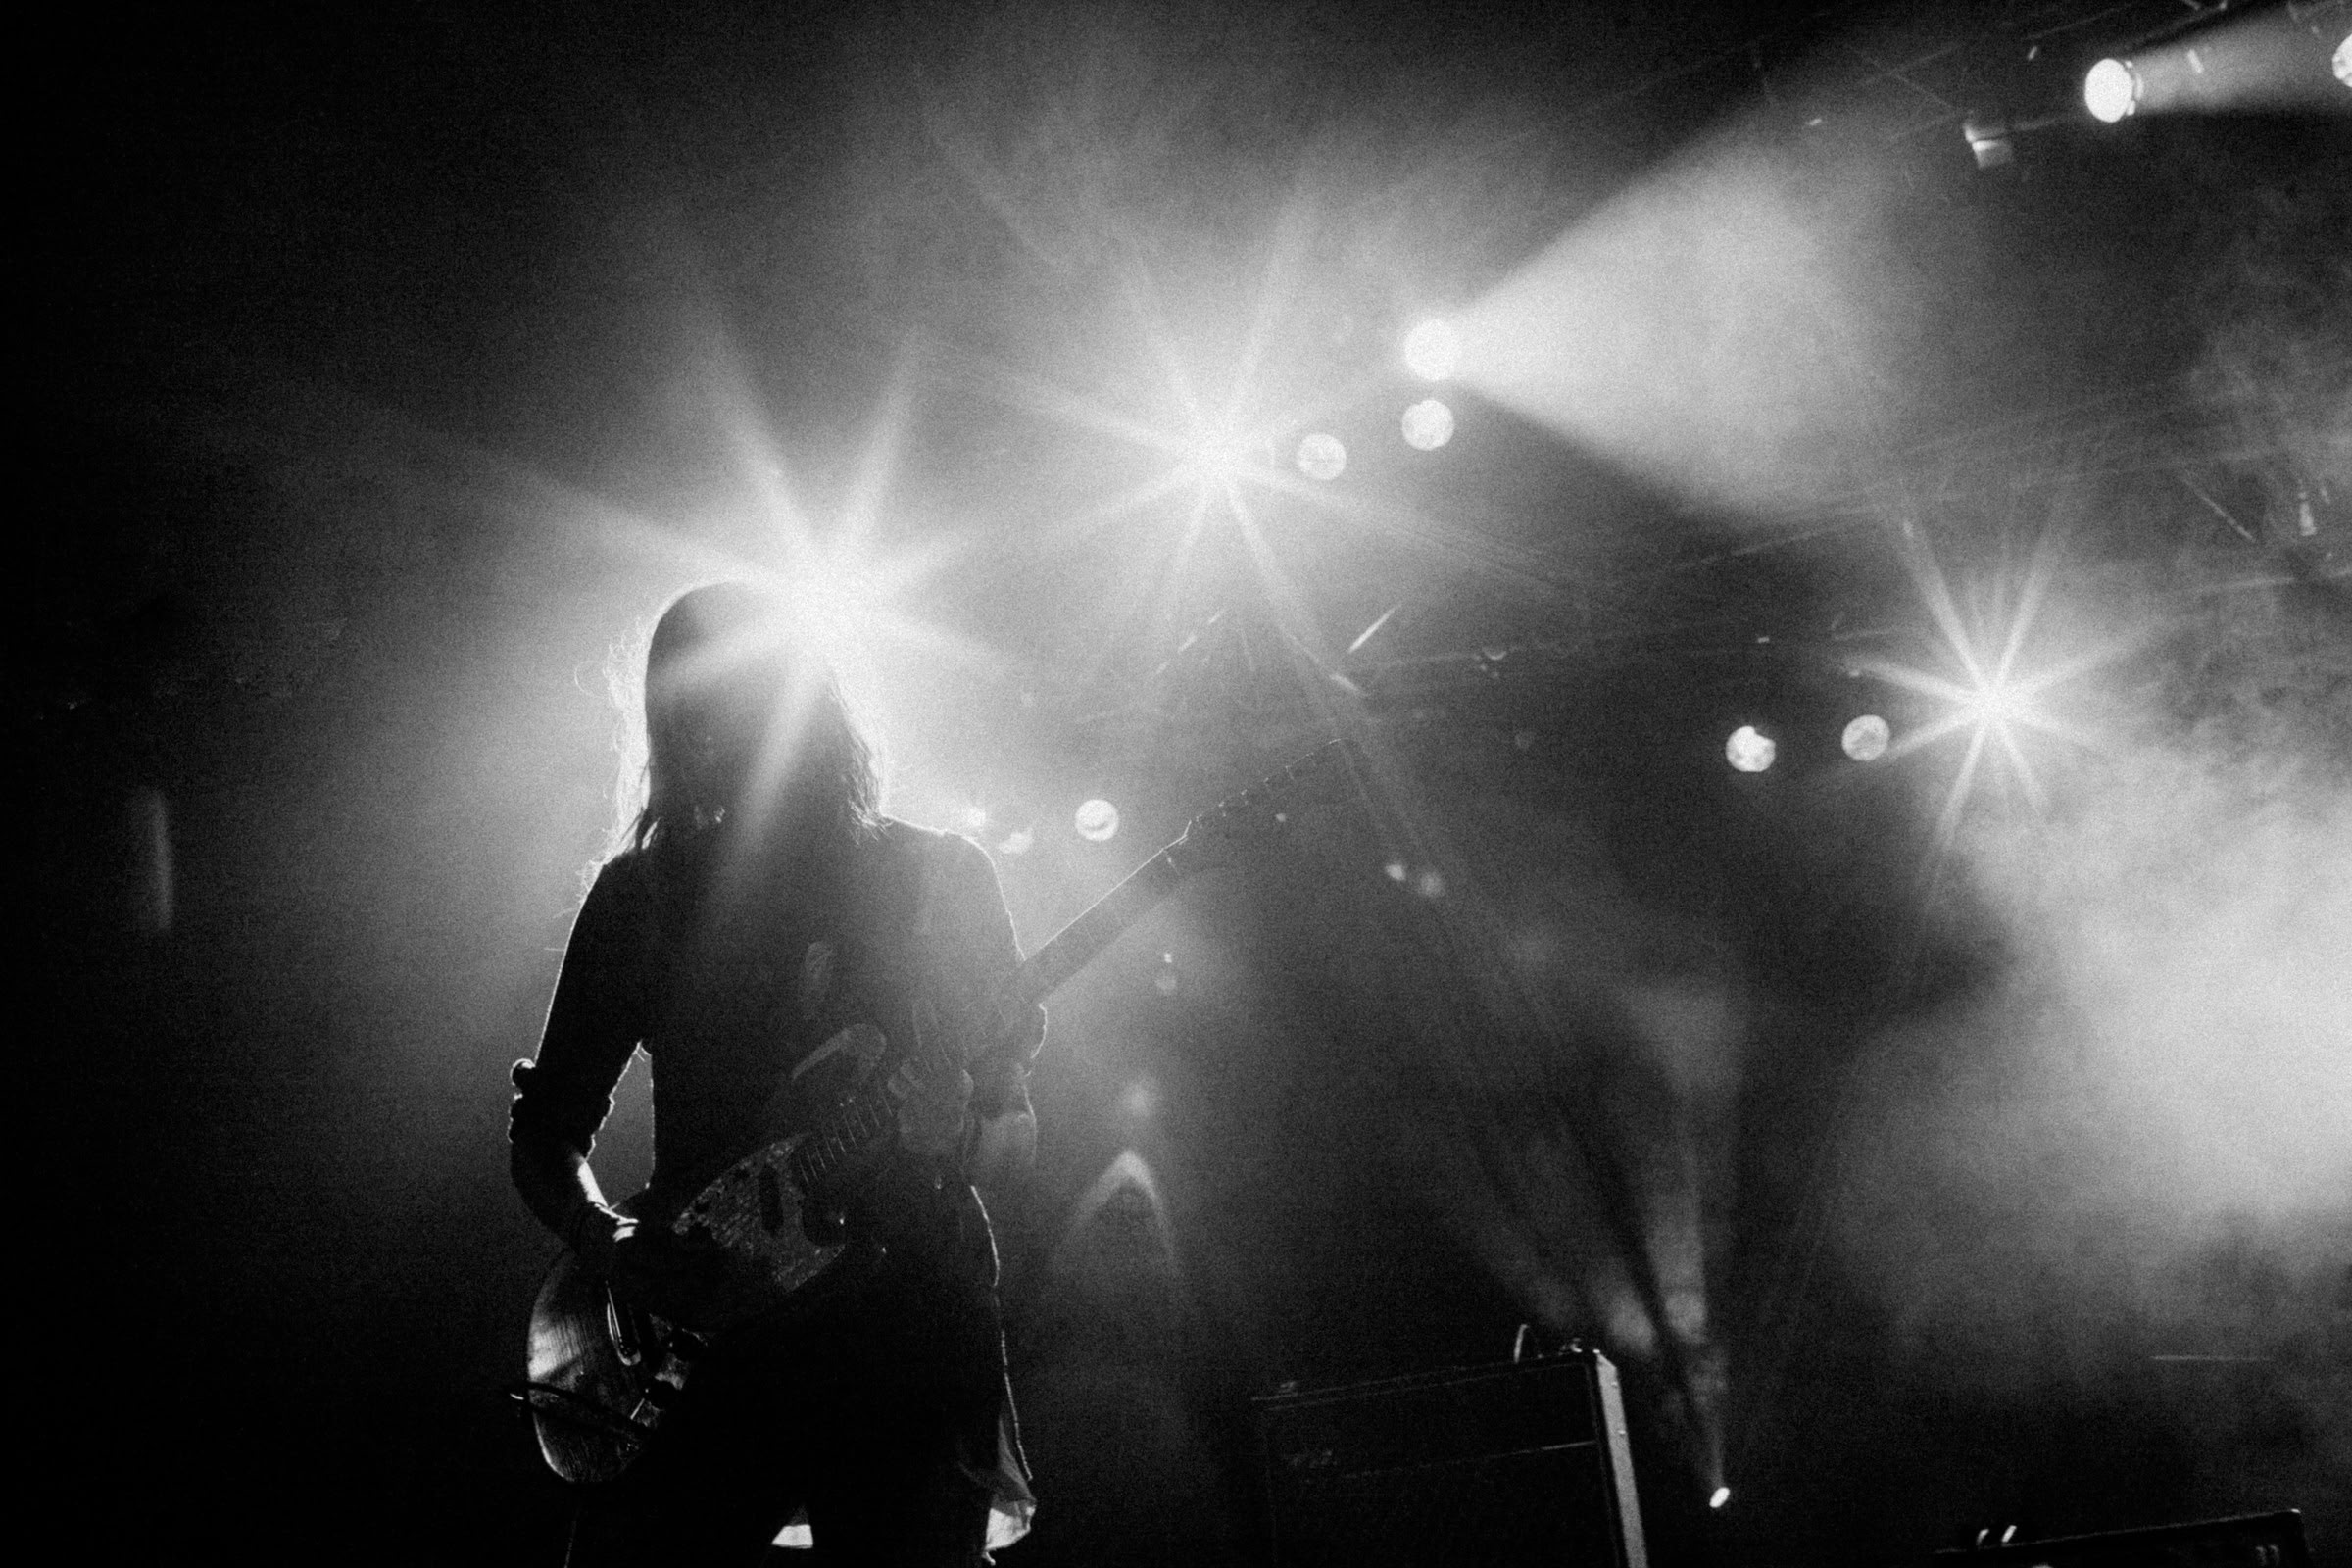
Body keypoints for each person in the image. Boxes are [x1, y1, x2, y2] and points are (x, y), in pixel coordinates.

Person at [510, 581, 1043, 1566]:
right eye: (700, 709)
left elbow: (1014, 1135)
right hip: (712, 1322)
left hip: (906, 1330)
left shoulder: (940, 881)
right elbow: (546, 1128)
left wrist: (957, 1136)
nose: (730, 727)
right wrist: (612, 1240)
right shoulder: (643, 900)